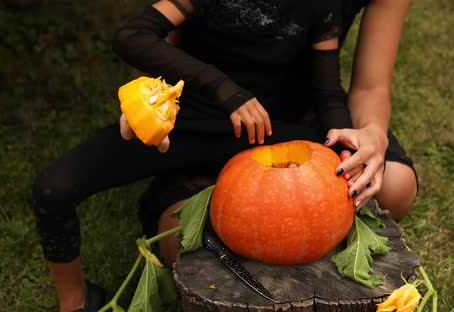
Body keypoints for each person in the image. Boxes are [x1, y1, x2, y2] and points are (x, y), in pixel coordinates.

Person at [30, 1, 409, 311]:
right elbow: (134, 37)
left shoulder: (321, 6)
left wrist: (348, 147)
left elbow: (329, 92)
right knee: (53, 188)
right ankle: (75, 303)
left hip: (274, 125)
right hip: (192, 121)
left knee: (388, 182)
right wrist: (149, 100)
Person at [137, 0, 418, 265]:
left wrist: (373, 133)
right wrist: (148, 104)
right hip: (212, 108)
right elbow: (154, 40)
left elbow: (371, 87)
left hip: (309, 102)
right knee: (183, 239)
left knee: (395, 186)